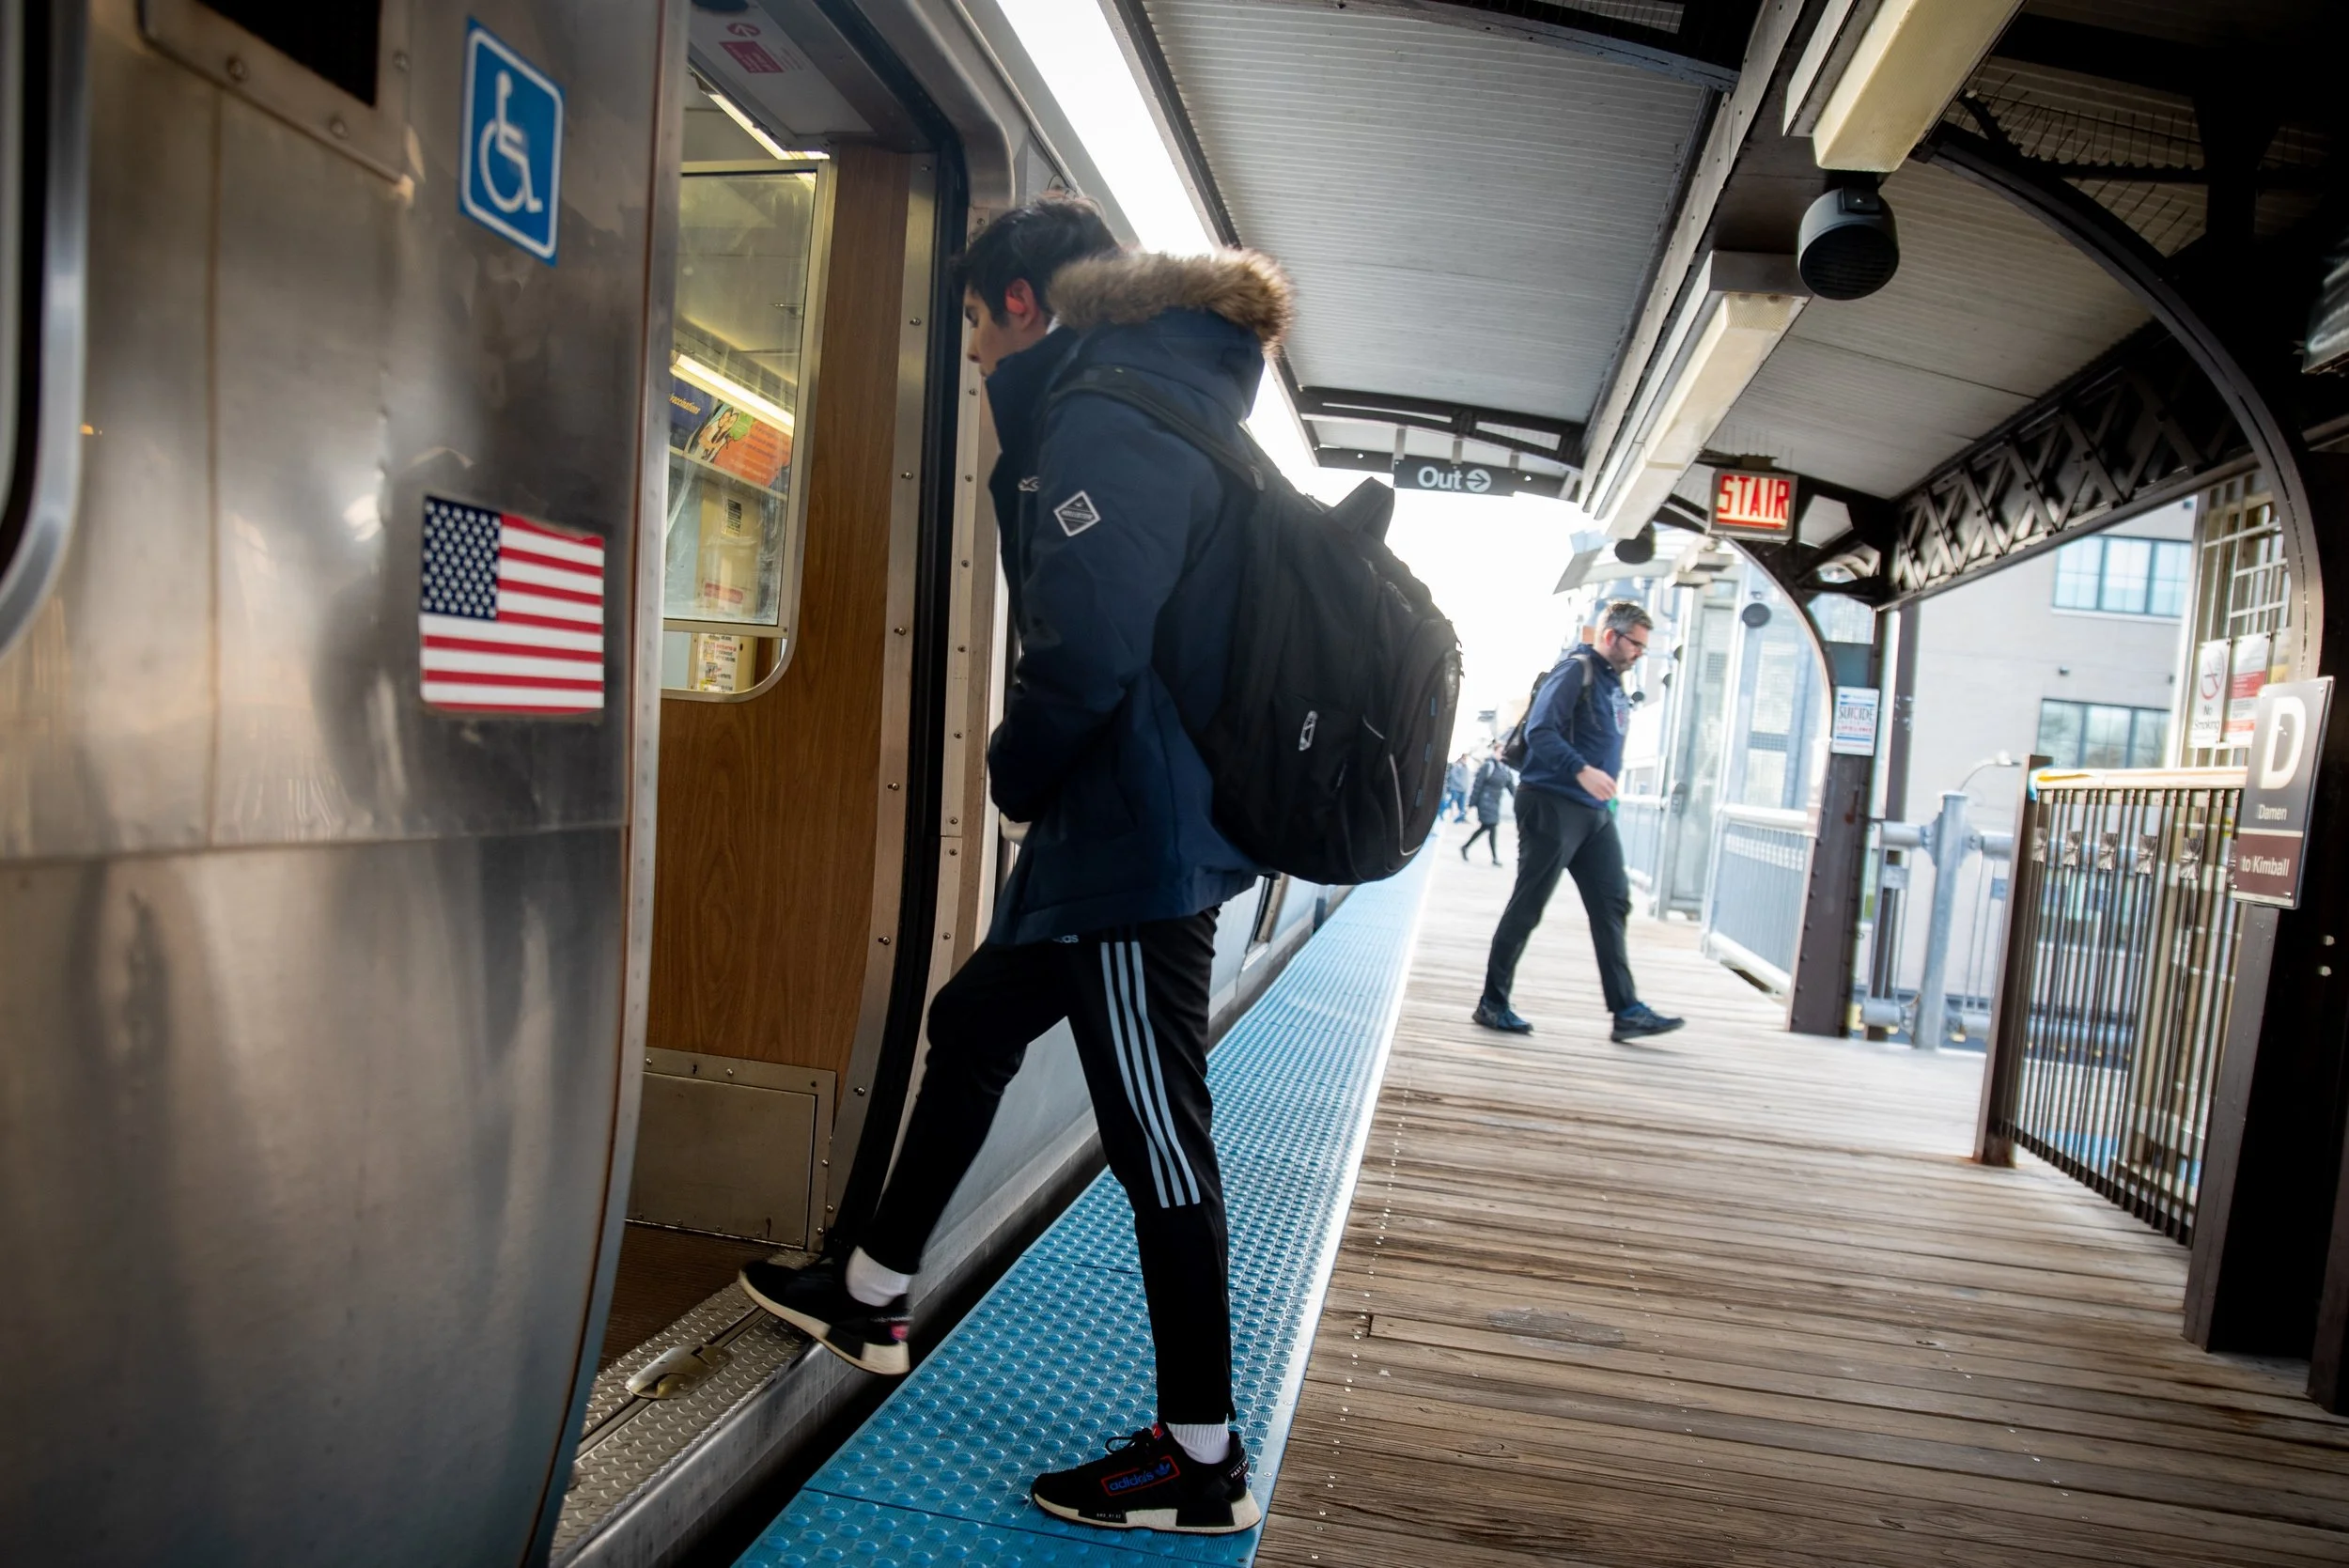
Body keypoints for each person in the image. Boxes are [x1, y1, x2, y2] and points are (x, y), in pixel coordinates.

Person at [737, 195, 1291, 1537]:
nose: (977, 358)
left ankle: (1199, 1458)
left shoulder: (1109, 411)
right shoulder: (1159, 396)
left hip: (1130, 850)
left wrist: (1014, 768)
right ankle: (872, 1289)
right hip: (1126, 836)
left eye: (977, 331)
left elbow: (1090, 648)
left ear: (1023, 306)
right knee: (971, 1019)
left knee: (1160, 1138)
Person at [1473, 599, 1685, 1045]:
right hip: (1553, 802)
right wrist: (1581, 770)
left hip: (1594, 814)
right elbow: (1540, 732)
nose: (1639, 655)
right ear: (1611, 636)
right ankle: (1492, 1003)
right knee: (1529, 904)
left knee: (1612, 904)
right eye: (1635, 645)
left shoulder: (1612, 683)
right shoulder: (1575, 670)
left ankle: (1626, 1010)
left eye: (1644, 648)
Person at [1459, 745, 1514, 864]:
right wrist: (1471, 803)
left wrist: (1518, 797)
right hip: (1484, 801)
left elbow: (1510, 785)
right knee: (1492, 826)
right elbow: (1477, 785)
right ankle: (1494, 857)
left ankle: (1466, 846)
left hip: (1495, 802)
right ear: (1494, 752)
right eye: (1500, 752)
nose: (1502, 754)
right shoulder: (1488, 766)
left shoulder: (1505, 769)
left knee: (1486, 827)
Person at [1440, 753, 1470, 823]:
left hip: (1463, 789)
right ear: (1462, 759)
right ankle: (1441, 813)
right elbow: (1453, 775)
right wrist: (1460, 783)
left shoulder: (1465, 767)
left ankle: (1460, 818)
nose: (1466, 761)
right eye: (1465, 759)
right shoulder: (1457, 766)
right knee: (1451, 802)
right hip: (1456, 789)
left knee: (1462, 805)